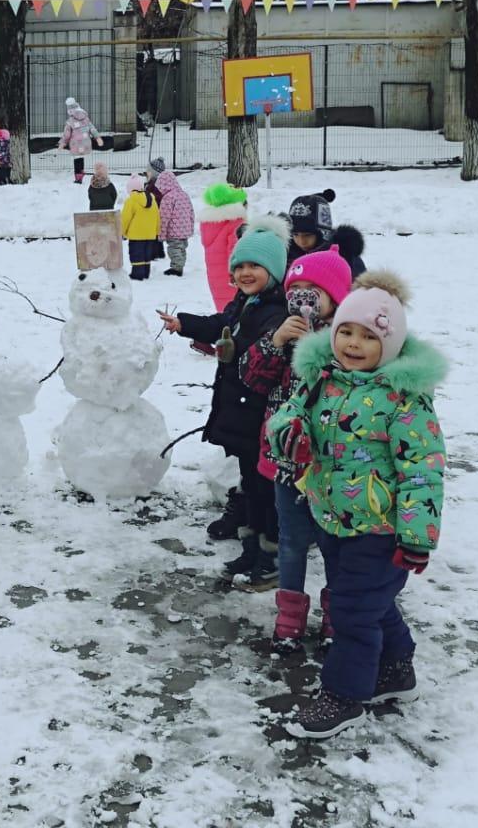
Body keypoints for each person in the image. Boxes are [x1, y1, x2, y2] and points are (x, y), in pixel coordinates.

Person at [269, 271, 446, 739]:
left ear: (389, 345)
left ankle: (344, 695)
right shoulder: (320, 378)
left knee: (350, 611)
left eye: (369, 336)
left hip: (381, 527)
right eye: (346, 330)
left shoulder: (404, 400)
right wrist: (289, 433)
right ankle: (397, 669)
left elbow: (423, 468)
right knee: (369, 602)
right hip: (331, 516)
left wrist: (416, 535)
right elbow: (287, 413)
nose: (352, 342)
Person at [157, 217, 290, 589]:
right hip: (240, 411)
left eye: (255, 266)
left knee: (266, 490)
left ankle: (272, 556)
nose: (245, 273)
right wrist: (185, 324)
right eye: (240, 266)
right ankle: (251, 548)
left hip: (261, 416)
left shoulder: (277, 313)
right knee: (251, 483)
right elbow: (222, 325)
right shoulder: (246, 302)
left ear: (274, 270)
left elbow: (267, 359)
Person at [240, 247, 352, 652]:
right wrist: (276, 341)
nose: (302, 298)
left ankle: (335, 614)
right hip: (286, 458)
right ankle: (290, 613)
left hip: (331, 465)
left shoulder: (347, 338)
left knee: (331, 540)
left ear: (335, 296)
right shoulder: (282, 331)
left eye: (313, 290)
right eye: (296, 288)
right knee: (290, 539)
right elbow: (251, 378)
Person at [286, 189, 367, 277]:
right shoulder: (286, 255)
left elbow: (360, 286)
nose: (301, 241)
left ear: (323, 233)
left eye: (307, 235)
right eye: (295, 235)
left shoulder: (344, 256)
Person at [197, 182, 249, 313]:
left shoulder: (209, 224)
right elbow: (236, 253)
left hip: (216, 278)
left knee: (223, 311)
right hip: (234, 279)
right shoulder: (236, 223)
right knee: (238, 313)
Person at [147, 158, 193, 277]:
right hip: (185, 228)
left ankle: (176, 268)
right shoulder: (183, 194)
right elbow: (191, 211)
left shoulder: (168, 197)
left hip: (174, 230)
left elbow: (164, 216)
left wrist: (161, 233)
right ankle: (180, 264)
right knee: (181, 248)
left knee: (174, 249)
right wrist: (191, 225)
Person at [120, 174, 162, 281]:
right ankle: (146, 273)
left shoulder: (131, 201)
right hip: (150, 234)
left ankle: (137, 274)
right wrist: (157, 232)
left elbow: (125, 219)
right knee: (146, 254)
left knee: (136, 254)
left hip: (136, 235)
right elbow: (157, 216)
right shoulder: (152, 200)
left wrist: (122, 232)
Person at [57, 96, 104, 184]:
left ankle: (78, 177)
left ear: (69, 111)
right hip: (85, 143)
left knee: (77, 159)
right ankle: (81, 174)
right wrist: (98, 138)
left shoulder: (70, 121)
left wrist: (62, 143)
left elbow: (67, 135)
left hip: (76, 144)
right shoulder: (85, 119)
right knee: (81, 158)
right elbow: (92, 128)